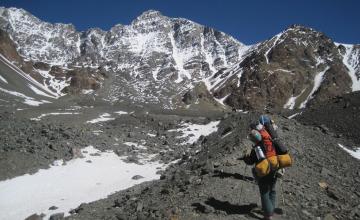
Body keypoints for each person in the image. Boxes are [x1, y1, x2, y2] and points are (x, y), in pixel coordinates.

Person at [243, 127, 278, 220]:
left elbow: (251, 161)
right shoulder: (270, 142)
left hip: (264, 171)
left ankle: (268, 215)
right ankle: (270, 210)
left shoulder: (256, 148)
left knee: (264, 192)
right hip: (275, 168)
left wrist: (245, 158)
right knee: (272, 190)